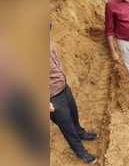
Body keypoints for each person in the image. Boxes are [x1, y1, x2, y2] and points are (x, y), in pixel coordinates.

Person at [49, 24, 98, 165]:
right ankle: (81, 153)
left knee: (74, 115)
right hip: (52, 97)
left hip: (63, 88)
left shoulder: (49, 43)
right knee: (67, 127)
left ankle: (81, 133)